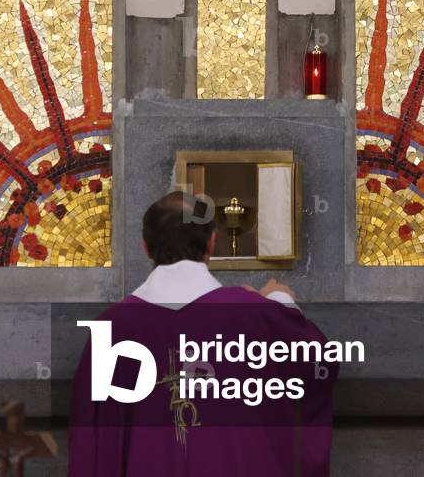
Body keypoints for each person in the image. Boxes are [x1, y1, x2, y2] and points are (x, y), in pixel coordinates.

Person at [68, 191, 337, 475]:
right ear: (211, 243)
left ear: (145, 246)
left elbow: (91, 436)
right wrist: (280, 302)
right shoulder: (255, 315)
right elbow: (316, 363)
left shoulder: (112, 327)